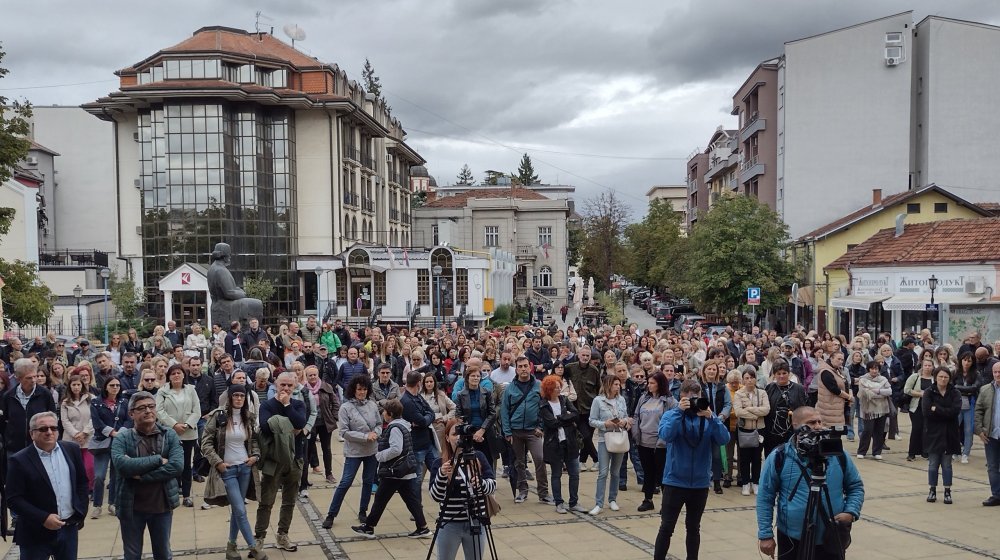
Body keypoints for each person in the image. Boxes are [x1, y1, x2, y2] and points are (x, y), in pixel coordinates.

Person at [757, 407, 865, 560]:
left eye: (820, 421)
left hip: (831, 536)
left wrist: (850, 512)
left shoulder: (837, 455)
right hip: (791, 538)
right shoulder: (780, 456)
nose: (818, 426)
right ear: (795, 425)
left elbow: (855, 486)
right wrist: (765, 534)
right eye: (811, 422)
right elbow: (765, 496)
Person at [653, 379, 730, 560]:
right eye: (690, 398)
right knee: (667, 527)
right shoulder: (672, 414)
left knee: (694, 527)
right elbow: (666, 435)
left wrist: (713, 418)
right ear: (682, 398)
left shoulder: (708, 417)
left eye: (697, 398)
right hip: (675, 481)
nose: (695, 402)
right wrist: (679, 411)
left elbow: (724, 439)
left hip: (700, 482)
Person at [5, 411, 89, 560]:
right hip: (34, 533)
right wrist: (43, 518)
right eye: (43, 429)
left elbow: (82, 483)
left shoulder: (71, 450)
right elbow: (13, 499)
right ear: (32, 434)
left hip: (68, 528)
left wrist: (80, 510)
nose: (49, 432)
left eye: (53, 428)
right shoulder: (18, 460)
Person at [111, 391, 184, 560]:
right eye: (142, 408)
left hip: (161, 507)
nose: (148, 411)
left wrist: (141, 475)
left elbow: (176, 466)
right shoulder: (122, 438)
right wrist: (158, 460)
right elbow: (122, 466)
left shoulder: (169, 434)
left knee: (163, 554)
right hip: (131, 508)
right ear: (131, 414)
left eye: (151, 407)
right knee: (132, 555)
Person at [200, 384, 268, 560]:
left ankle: (231, 547)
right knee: (240, 509)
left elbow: (253, 441)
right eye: (235, 395)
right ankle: (253, 547)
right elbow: (205, 443)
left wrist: (255, 456)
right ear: (229, 398)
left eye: (242, 396)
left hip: (245, 468)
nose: (239, 398)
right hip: (227, 470)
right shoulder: (218, 416)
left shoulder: (248, 417)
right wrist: (219, 463)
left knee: (238, 511)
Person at [351, 399, 431, 539]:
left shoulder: (395, 428)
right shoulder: (403, 425)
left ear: (390, 414)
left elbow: (396, 449)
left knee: (380, 499)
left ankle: (369, 527)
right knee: (411, 500)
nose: (383, 414)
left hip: (394, 471)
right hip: (403, 471)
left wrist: (380, 456)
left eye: (385, 412)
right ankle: (422, 527)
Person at [428, 418, 497, 560]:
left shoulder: (478, 457)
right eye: (454, 434)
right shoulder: (439, 463)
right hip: (449, 523)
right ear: (447, 438)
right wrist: (442, 475)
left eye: (462, 434)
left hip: (477, 520)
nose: (459, 438)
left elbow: (492, 485)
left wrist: (481, 484)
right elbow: (436, 496)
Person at [254, 372, 307, 552]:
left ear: (295, 386)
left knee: (289, 501)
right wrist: (290, 427)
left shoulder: (298, 404)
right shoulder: (267, 405)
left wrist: (286, 405)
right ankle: (259, 537)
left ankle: (282, 535)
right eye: (282, 384)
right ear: (276, 384)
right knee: (266, 501)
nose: (285, 388)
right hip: (273, 459)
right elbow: (266, 427)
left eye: (289, 386)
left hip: (295, 458)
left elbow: (301, 422)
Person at [323, 374, 381, 529]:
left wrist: (376, 433)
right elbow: (344, 432)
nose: (362, 392)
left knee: (368, 481)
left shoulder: (372, 405)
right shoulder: (345, 408)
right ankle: (331, 514)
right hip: (354, 451)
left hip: (371, 450)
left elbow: (379, 424)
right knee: (345, 482)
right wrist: (364, 436)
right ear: (353, 390)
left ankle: (363, 510)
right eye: (359, 389)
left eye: (364, 389)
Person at [500, 356, 550, 504]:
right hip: (515, 431)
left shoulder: (538, 385)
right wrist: (507, 432)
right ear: (516, 369)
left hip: (533, 431)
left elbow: (544, 408)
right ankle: (522, 490)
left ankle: (543, 492)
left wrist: (541, 427)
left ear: (530, 367)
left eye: (525, 366)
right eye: (520, 366)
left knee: (539, 459)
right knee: (519, 462)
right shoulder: (510, 388)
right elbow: (504, 411)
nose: (523, 369)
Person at [155, 364, 201, 507]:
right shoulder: (162, 392)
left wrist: (187, 425)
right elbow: (159, 411)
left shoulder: (191, 390)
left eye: (179, 373)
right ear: (169, 376)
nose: (176, 375)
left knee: (186, 464)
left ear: (183, 375)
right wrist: (174, 425)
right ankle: (172, 495)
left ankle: (187, 495)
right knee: (171, 464)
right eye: (173, 373)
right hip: (170, 433)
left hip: (188, 433)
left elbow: (197, 410)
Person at [539, 374, 584, 514]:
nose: (559, 390)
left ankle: (574, 502)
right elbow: (552, 423)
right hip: (554, 444)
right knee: (556, 474)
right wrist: (566, 418)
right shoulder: (544, 404)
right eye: (556, 388)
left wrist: (562, 418)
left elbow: (576, 413)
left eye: (559, 387)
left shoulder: (564, 400)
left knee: (574, 473)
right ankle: (559, 502)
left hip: (570, 442)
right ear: (549, 390)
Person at [588, 374, 632, 515]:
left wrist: (625, 421)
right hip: (604, 438)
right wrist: (604, 424)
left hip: (619, 436)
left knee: (615, 471)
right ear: (608, 385)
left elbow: (625, 415)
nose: (618, 387)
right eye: (615, 384)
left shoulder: (621, 400)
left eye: (619, 385)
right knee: (603, 472)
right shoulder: (598, 400)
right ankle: (598, 503)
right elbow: (592, 420)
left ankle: (612, 499)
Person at [89, 375, 131, 518]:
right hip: (102, 442)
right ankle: (97, 505)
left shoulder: (124, 402)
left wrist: (121, 433)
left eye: (117, 385)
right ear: (106, 387)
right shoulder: (96, 402)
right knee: (99, 476)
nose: (115, 388)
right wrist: (112, 432)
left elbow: (128, 420)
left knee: (116, 475)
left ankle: (112, 504)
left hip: (119, 442)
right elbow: (96, 422)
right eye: (112, 385)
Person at [633, 371, 674, 511]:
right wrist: (635, 433)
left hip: (660, 443)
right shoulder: (644, 398)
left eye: (652, 383)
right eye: (648, 383)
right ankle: (648, 499)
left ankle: (666, 503)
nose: (648, 386)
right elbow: (636, 416)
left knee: (662, 473)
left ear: (660, 384)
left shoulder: (669, 401)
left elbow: (671, 421)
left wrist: (663, 440)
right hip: (643, 441)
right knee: (648, 472)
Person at [922, 367, 961, 504]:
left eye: (946, 377)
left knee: (947, 464)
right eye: (940, 377)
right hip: (933, 433)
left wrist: (937, 409)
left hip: (949, 433)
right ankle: (932, 489)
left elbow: (955, 411)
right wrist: (944, 412)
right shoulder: (929, 392)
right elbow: (926, 412)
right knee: (933, 463)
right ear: (935, 377)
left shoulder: (955, 392)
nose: (943, 379)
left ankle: (947, 491)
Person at [734, 367, 770, 496]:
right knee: (744, 457)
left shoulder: (762, 393)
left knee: (757, 457)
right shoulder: (739, 394)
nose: (749, 380)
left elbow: (766, 410)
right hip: (744, 430)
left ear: (755, 378)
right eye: (746, 378)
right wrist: (755, 413)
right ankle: (745, 483)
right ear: (743, 380)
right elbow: (738, 412)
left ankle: (756, 482)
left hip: (759, 429)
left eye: (752, 377)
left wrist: (749, 408)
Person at [763, 360, 808, 457]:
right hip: (772, 433)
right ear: (774, 375)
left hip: (792, 432)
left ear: (789, 373)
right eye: (778, 373)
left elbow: (803, 409)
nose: (781, 376)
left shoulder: (799, 389)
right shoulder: (769, 388)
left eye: (784, 373)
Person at [60, 375, 95, 495]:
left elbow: (94, 418)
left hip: (88, 437)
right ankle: (75, 489)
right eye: (73, 385)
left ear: (82, 385)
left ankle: (89, 489)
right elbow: (65, 421)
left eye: (78, 384)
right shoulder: (65, 402)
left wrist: (85, 432)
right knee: (73, 466)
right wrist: (76, 434)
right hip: (71, 439)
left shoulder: (91, 399)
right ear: (69, 386)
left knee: (89, 467)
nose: (76, 387)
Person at [973, 361, 1000, 506]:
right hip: (991, 435)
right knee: (992, 466)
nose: (997, 375)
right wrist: (979, 430)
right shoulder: (985, 390)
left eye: (999, 372)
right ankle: (996, 495)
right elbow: (978, 411)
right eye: (995, 372)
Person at [856, 360, 892, 460]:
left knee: (879, 431)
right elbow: (864, 393)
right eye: (872, 368)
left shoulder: (883, 379)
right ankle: (862, 451)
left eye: (876, 368)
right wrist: (880, 394)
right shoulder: (863, 379)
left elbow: (889, 391)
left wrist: (878, 391)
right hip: (868, 409)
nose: (874, 371)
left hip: (882, 409)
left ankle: (877, 451)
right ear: (868, 369)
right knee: (867, 430)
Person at [904, 358, 935, 461]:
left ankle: (925, 452)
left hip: (929, 408)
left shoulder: (934, 378)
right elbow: (907, 390)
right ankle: (911, 453)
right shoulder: (915, 377)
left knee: (927, 429)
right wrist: (920, 394)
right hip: (916, 407)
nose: (927, 367)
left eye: (929, 366)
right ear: (922, 366)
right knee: (916, 428)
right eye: (925, 365)